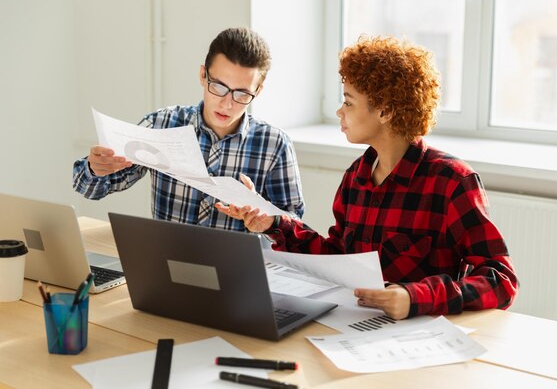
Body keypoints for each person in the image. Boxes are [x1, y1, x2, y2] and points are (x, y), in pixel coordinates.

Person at [216, 36, 519, 319]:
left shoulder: (452, 181)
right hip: (357, 327)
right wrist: (273, 223)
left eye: (348, 102)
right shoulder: (356, 178)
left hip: (421, 338)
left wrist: (414, 297)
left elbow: (501, 279)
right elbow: (337, 260)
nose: (339, 111)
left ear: (385, 111)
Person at [73, 27, 304, 231]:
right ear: (203, 75)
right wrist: (96, 169)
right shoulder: (162, 124)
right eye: (219, 86)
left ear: (259, 91)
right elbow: (90, 189)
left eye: (242, 93)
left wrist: (268, 222)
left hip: (239, 272)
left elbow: (295, 225)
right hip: (167, 265)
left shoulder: (275, 144)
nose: (227, 103)